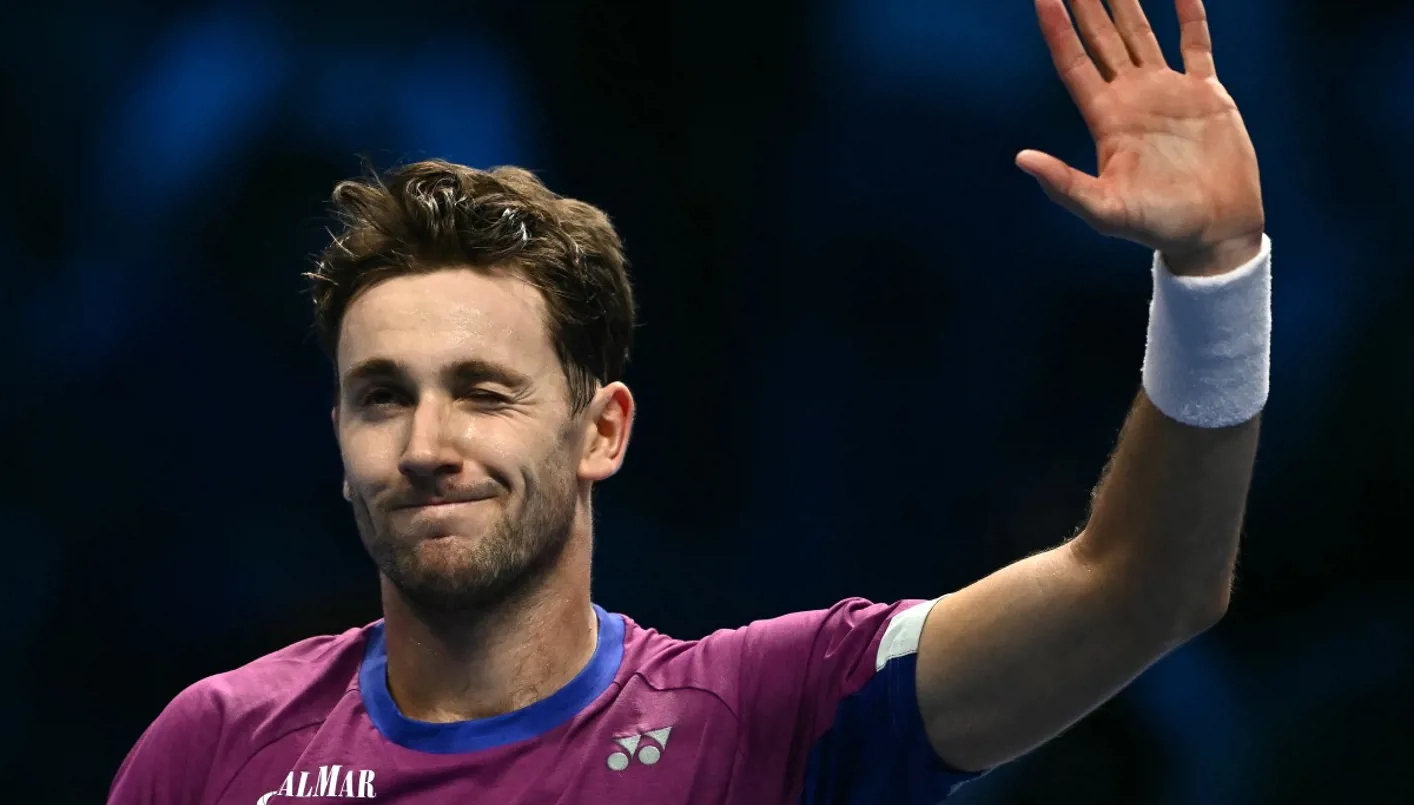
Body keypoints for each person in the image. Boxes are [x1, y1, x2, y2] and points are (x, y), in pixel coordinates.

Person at [108, 0, 1271, 802]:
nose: (426, 444)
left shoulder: (767, 708)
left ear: (600, 428)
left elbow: (1144, 586)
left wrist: (1214, 272)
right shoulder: (212, 744)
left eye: (484, 391)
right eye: (381, 397)